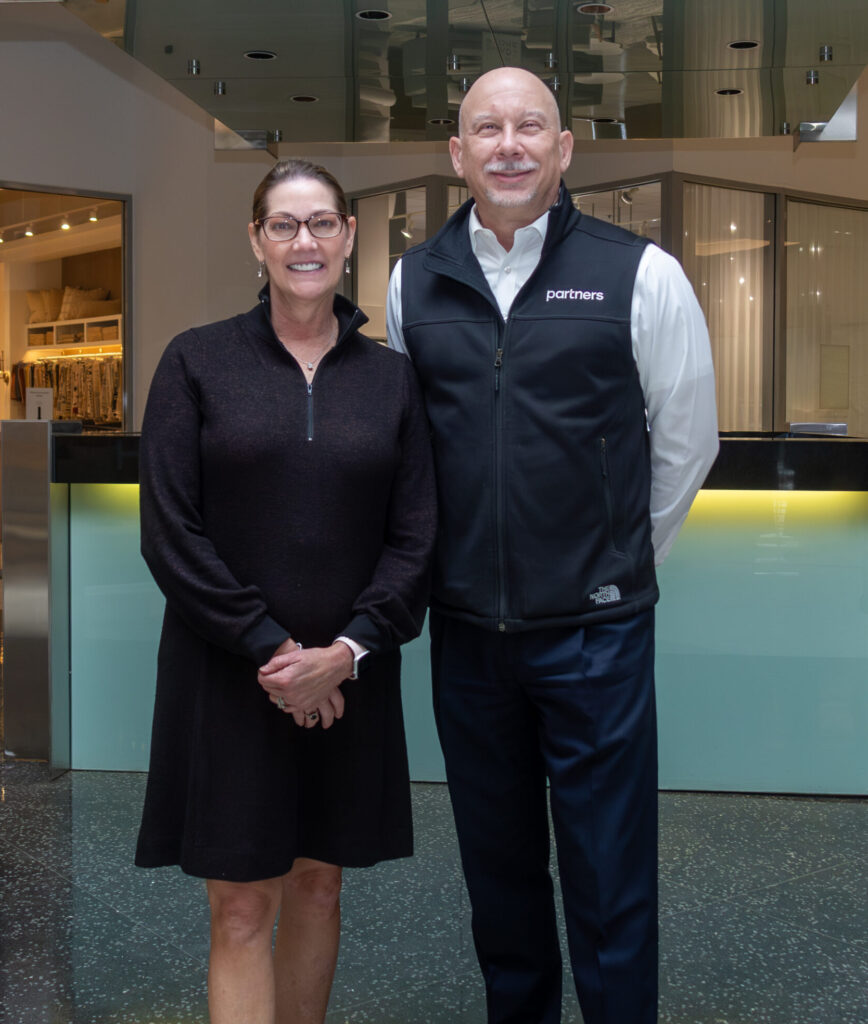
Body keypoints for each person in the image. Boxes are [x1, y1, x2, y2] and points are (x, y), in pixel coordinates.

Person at [386, 67, 719, 1024]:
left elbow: (687, 441)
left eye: (530, 126)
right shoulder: (414, 281)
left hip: (596, 639)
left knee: (610, 875)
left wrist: (618, 562)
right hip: (467, 638)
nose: (509, 145)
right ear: (458, 155)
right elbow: (410, 452)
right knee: (498, 878)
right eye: (487, 129)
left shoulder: (640, 271)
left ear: (564, 148)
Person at [135, 158, 436, 1024]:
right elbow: (170, 531)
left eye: (322, 223)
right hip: (229, 675)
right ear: (257, 241)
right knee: (240, 906)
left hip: (350, 677)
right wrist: (274, 651)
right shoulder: (195, 362)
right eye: (283, 224)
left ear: (348, 235)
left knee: (319, 887)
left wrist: (344, 654)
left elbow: (417, 537)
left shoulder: (392, 379)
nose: (305, 241)